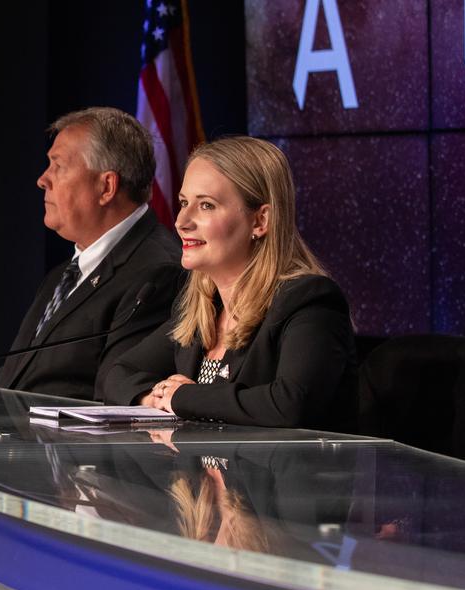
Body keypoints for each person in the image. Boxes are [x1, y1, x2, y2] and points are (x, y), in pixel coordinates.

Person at [105, 136, 357, 430]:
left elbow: (290, 404)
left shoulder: (309, 301)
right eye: (184, 203)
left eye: (207, 205)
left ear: (260, 221)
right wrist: (153, 398)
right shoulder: (202, 309)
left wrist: (182, 397)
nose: (181, 221)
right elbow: (117, 374)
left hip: (289, 476)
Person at [0, 107, 184, 401]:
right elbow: (12, 378)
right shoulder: (63, 275)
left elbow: (112, 396)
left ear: (106, 186)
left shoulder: (158, 273)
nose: (43, 179)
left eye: (58, 166)